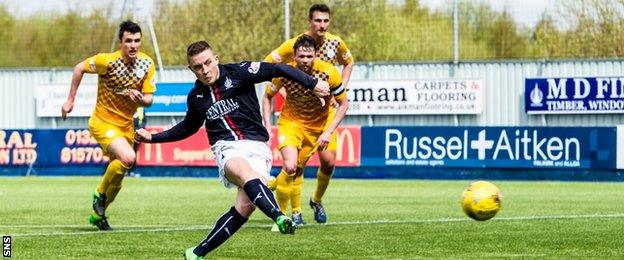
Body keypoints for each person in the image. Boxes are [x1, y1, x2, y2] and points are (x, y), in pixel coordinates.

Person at [134, 40, 330, 259]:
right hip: (226, 147)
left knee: (244, 207)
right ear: (191, 69)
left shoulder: (240, 72)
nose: (205, 70)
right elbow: (188, 127)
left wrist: (312, 83)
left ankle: (196, 253)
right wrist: (152, 138)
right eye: (198, 67)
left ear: (216, 59)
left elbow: (278, 68)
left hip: (257, 147)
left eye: (207, 63)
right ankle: (279, 216)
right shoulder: (196, 97)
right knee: (245, 173)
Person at [61, 20, 156, 231]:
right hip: (102, 122)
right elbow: (79, 69)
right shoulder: (107, 61)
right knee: (129, 157)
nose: (133, 45)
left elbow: (149, 99)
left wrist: (141, 99)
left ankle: (98, 215)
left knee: (120, 175)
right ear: (121, 42)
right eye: (129, 41)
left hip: (125, 127)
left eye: (137, 41)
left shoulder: (147, 64)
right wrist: (70, 100)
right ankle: (99, 194)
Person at [264, 3, 354, 224]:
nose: (322, 25)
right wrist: (287, 90)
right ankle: (294, 211)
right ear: (310, 22)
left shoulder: (335, 43)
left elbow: (349, 62)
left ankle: (316, 200)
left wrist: (339, 89)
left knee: (329, 162)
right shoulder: (293, 46)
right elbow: (267, 67)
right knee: (295, 165)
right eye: (318, 21)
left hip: (324, 115)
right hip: (295, 116)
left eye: (326, 21)